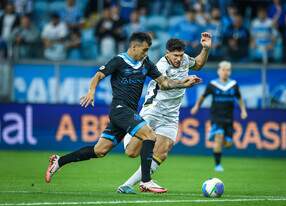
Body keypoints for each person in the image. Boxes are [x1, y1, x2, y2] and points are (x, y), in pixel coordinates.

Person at [45, 32, 201, 193]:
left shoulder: (146, 63)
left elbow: (165, 83)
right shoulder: (119, 61)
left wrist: (183, 83)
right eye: (144, 50)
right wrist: (91, 91)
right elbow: (98, 75)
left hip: (129, 112)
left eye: (148, 50)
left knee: (100, 150)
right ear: (134, 47)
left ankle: (59, 161)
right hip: (119, 109)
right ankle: (146, 181)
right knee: (150, 136)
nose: (146, 54)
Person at [117, 32, 212, 194]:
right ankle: (127, 133)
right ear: (167, 53)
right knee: (131, 152)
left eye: (181, 55)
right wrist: (184, 83)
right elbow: (165, 85)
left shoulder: (184, 60)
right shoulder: (160, 66)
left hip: (171, 114)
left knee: (164, 149)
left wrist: (206, 49)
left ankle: (129, 185)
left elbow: (198, 64)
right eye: (175, 55)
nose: (179, 59)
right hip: (153, 110)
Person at [191, 61, 247, 172]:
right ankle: (218, 165)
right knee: (219, 137)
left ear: (230, 72)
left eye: (228, 70)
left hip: (229, 118)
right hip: (216, 117)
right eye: (223, 69)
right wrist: (196, 106)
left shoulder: (234, 85)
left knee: (228, 144)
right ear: (218, 71)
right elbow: (203, 96)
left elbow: (239, 98)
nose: (225, 72)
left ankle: (214, 134)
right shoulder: (213, 85)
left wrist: (243, 111)